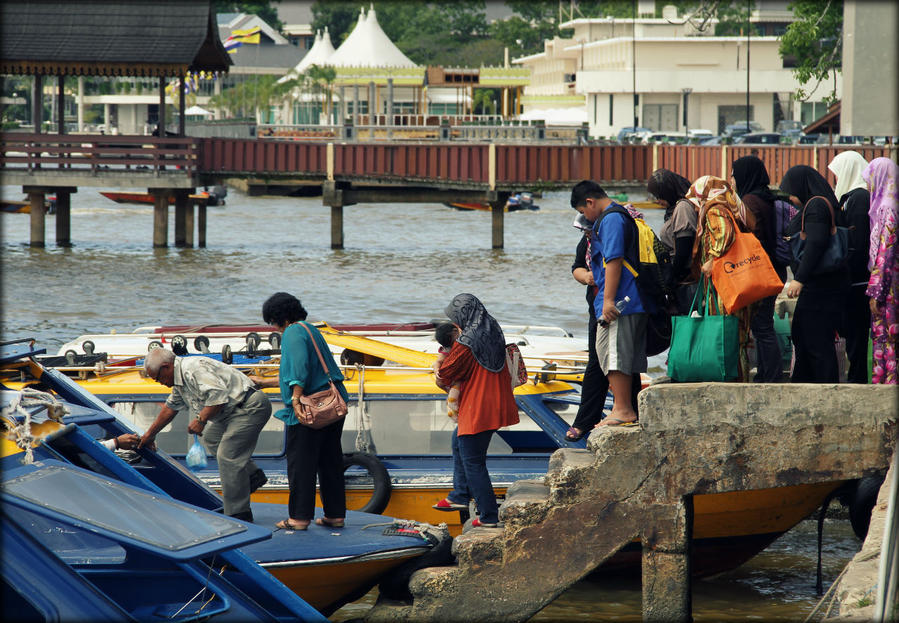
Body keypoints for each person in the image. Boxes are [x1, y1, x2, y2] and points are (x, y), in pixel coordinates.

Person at [252, 292, 349, 530]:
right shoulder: (310, 329)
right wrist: (265, 382)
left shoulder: (293, 332)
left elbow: (299, 371)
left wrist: (295, 399)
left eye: (273, 323)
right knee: (330, 462)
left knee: (301, 465)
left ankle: (298, 518)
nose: (274, 329)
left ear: (279, 318)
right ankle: (335, 515)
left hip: (310, 409)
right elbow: (304, 370)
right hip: (332, 403)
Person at [139, 348, 271, 522]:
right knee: (212, 438)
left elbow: (218, 396)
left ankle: (239, 513)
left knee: (228, 456)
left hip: (248, 407)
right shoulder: (179, 381)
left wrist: (200, 420)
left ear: (166, 367)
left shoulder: (193, 368)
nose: (160, 383)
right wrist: (149, 435)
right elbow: (170, 408)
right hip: (230, 412)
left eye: (158, 378)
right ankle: (252, 476)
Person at [432, 294, 518, 528]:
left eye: (456, 318)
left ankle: (489, 515)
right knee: (457, 441)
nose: (455, 323)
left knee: (474, 462)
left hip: (478, 404)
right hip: (495, 399)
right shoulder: (492, 329)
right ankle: (460, 495)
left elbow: (446, 375)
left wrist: (438, 364)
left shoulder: (467, 341)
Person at [571, 180, 648, 425]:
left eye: (584, 212)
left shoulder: (611, 219)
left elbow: (613, 260)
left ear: (590, 202)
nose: (586, 217)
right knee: (617, 354)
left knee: (614, 355)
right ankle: (622, 407)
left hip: (621, 301)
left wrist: (607, 301)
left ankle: (623, 409)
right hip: (629, 299)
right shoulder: (617, 215)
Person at [780, 165, 849, 383]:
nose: (790, 198)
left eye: (791, 191)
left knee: (815, 339)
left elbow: (816, 242)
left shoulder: (816, 205)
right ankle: (805, 385)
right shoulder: (818, 204)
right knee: (804, 334)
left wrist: (799, 279)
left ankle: (824, 390)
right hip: (821, 285)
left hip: (820, 286)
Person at [687, 175, 757, 382]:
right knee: (738, 336)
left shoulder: (715, 209)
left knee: (726, 332)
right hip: (736, 280)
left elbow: (725, 235)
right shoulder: (730, 207)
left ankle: (732, 382)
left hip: (724, 283)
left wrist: (712, 259)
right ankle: (739, 379)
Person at [732, 155, 784, 382]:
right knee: (764, 325)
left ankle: (770, 377)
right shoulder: (767, 198)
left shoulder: (750, 201)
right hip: (773, 267)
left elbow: (753, 238)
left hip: (759, 271)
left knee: (762, 327)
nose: (731, 180)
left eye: (734, 174)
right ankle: (766, 373)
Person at [828, 151, 871, 383]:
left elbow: (858, 242)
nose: (835, 180)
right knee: (851, 337)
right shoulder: (849, 197)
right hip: (851, 280)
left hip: (858, 281)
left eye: (837, 174)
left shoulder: (859, 198)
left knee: (857, 338)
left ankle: (858, 384)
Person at [863, 157, 899, 385]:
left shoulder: (888, 208)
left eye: (870, 179)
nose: (868, 185)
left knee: (888, 339)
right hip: (890, 283)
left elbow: (885, 253)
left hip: (889, 288)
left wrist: (876, 292)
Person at [649, 168, 697, 289]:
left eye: (660, 196)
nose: (658, 201)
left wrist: (672, 279)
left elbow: (683, 250)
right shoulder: (674, 209)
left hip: (683, 280)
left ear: (669, 192)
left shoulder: (682, 208)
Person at [434, 323, 461, 421]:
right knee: (439, 382)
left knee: (453, 397)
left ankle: (453, 401)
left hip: (460, 376)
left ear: (455, 332)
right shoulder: (447, 348)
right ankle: (450, 394)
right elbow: (438, 361)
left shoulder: (463, 339)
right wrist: (436, 371)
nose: (449, 347)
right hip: (452, 377)